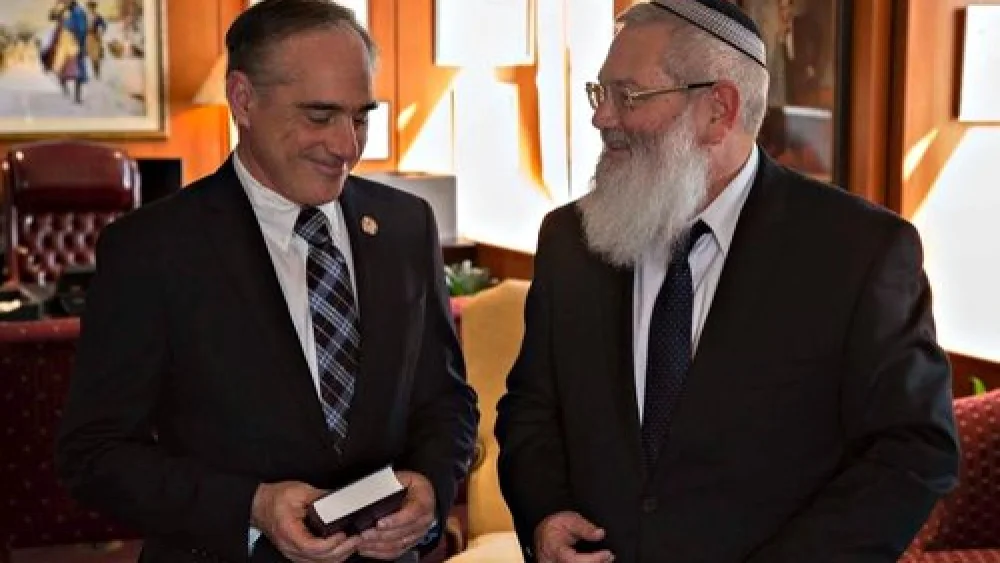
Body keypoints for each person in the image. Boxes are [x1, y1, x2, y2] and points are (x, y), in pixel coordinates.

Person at [495, 1, 960, 562]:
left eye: (629, 96)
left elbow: (913, 450)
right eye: (601, 94)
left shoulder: (857, 252)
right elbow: (531, 409)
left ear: (719, 109)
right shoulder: (570, 240)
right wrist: (545, 511)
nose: (603, 118)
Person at [56, 1, 478, 562]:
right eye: (320, 116)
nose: (348, 147)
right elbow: (95, 454)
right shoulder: (151, 249)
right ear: (243, 100)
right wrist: (250, 506)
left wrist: (429, 485)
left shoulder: (406, 225)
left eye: (361, 116)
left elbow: (444, 400)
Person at [86, 1, 107, 78]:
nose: (91, 9)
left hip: (96, 37)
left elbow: (104, 25)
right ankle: (95, 72)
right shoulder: (86, 16)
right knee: (92, 56)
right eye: (90, 7)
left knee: (97, 56)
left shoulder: (98, 16)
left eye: (92, 7)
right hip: (88, 37)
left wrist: (100, 31)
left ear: (95, 8)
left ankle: (98, 73)